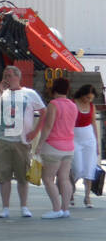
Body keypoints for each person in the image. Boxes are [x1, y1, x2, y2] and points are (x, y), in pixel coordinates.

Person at [0, 66, 44, 219]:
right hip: (2, 140)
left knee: (22, 176)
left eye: (9, 75)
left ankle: (24, 206)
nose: (6, 78)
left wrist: (35, 131)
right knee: (3, 175)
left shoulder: (29, 93)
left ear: (17, 77)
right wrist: (0, 93)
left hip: (21, 141)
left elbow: (43, 111)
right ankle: (5, 207)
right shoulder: (0, 94)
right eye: (5, 75)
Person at [32, 77, 77, 218]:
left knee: (48, 178)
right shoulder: (73, 105)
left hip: (53, 146)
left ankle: (56, 209)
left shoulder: (54, 104)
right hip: (69, 146)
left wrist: (39, 145)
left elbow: (48, 127)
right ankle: (65, 209)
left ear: (53, 89)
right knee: (64, 178)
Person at [71, 84, 100, 207]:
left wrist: (97, 143)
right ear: (82, 94)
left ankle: (87, 197)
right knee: (77, 169)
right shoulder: (73, 103)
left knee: (89, 168)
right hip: (74, 138)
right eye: (87, 97)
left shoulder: (92, 106)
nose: (89, 100)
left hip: (89, 139)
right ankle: (70, 193)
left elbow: (93, 123)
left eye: (91, 98)